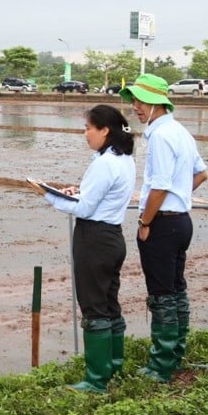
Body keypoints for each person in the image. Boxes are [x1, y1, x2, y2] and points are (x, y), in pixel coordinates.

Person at [27, 104, 135, 393]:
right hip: (113, 237)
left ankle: (96, 380)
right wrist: (74, 192)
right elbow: (95, 196)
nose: (85, 134)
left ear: (105, 130)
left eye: (89, 128)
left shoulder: (104, 163)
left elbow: (85, 208)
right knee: (110, 303)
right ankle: (114, 366)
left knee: (94, 307)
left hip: (94, 240)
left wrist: (48, 195)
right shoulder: (123, 158)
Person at [120, 73, 208, 383]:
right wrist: (180, 195)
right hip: (182, 222)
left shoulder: (159, 135)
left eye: (140, 101)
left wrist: (145, 221)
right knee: (176, 289)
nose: (136, 107)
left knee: (161, 295)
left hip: (162, 224)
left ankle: (161, 366)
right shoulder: (180, 131)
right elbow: (201, 173)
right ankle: (175, 354)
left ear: (157, 102)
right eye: (133, 101)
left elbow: (158, 186)